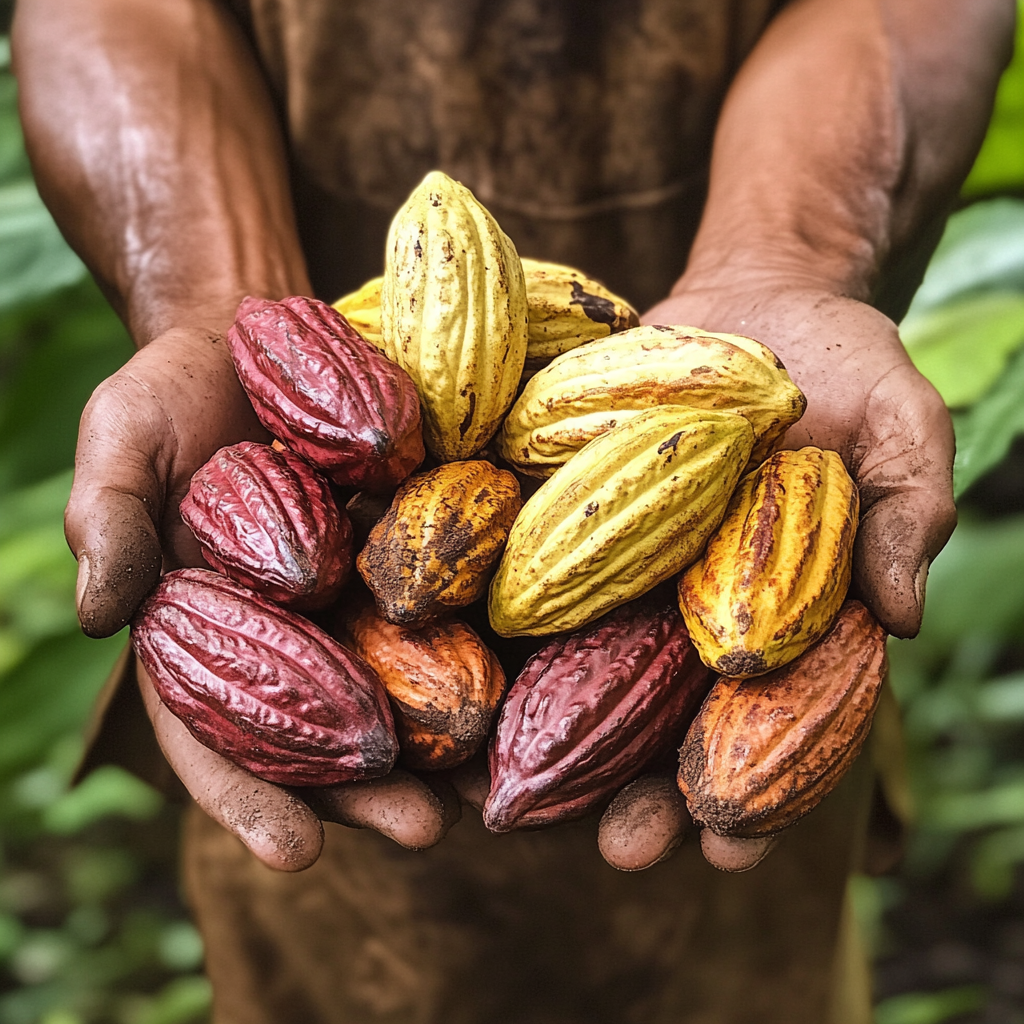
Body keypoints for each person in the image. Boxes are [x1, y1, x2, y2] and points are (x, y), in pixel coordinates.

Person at [12, 0, 1015, 1020]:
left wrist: (793, 252)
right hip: (351, 464)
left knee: (741, 941)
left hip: (711, 552)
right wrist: (209, 296)